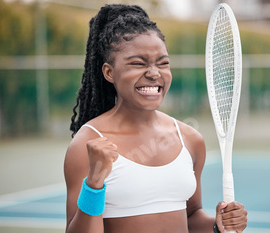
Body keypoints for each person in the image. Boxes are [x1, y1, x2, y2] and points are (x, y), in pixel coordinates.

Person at [64, 4, 247, 233]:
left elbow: (190, 216)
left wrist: (216, 225)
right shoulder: (88, 145)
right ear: (109, 72)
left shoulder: (190, 140)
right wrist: (94, 185)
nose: (154, 73)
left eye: (163, 63)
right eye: (138, 63)